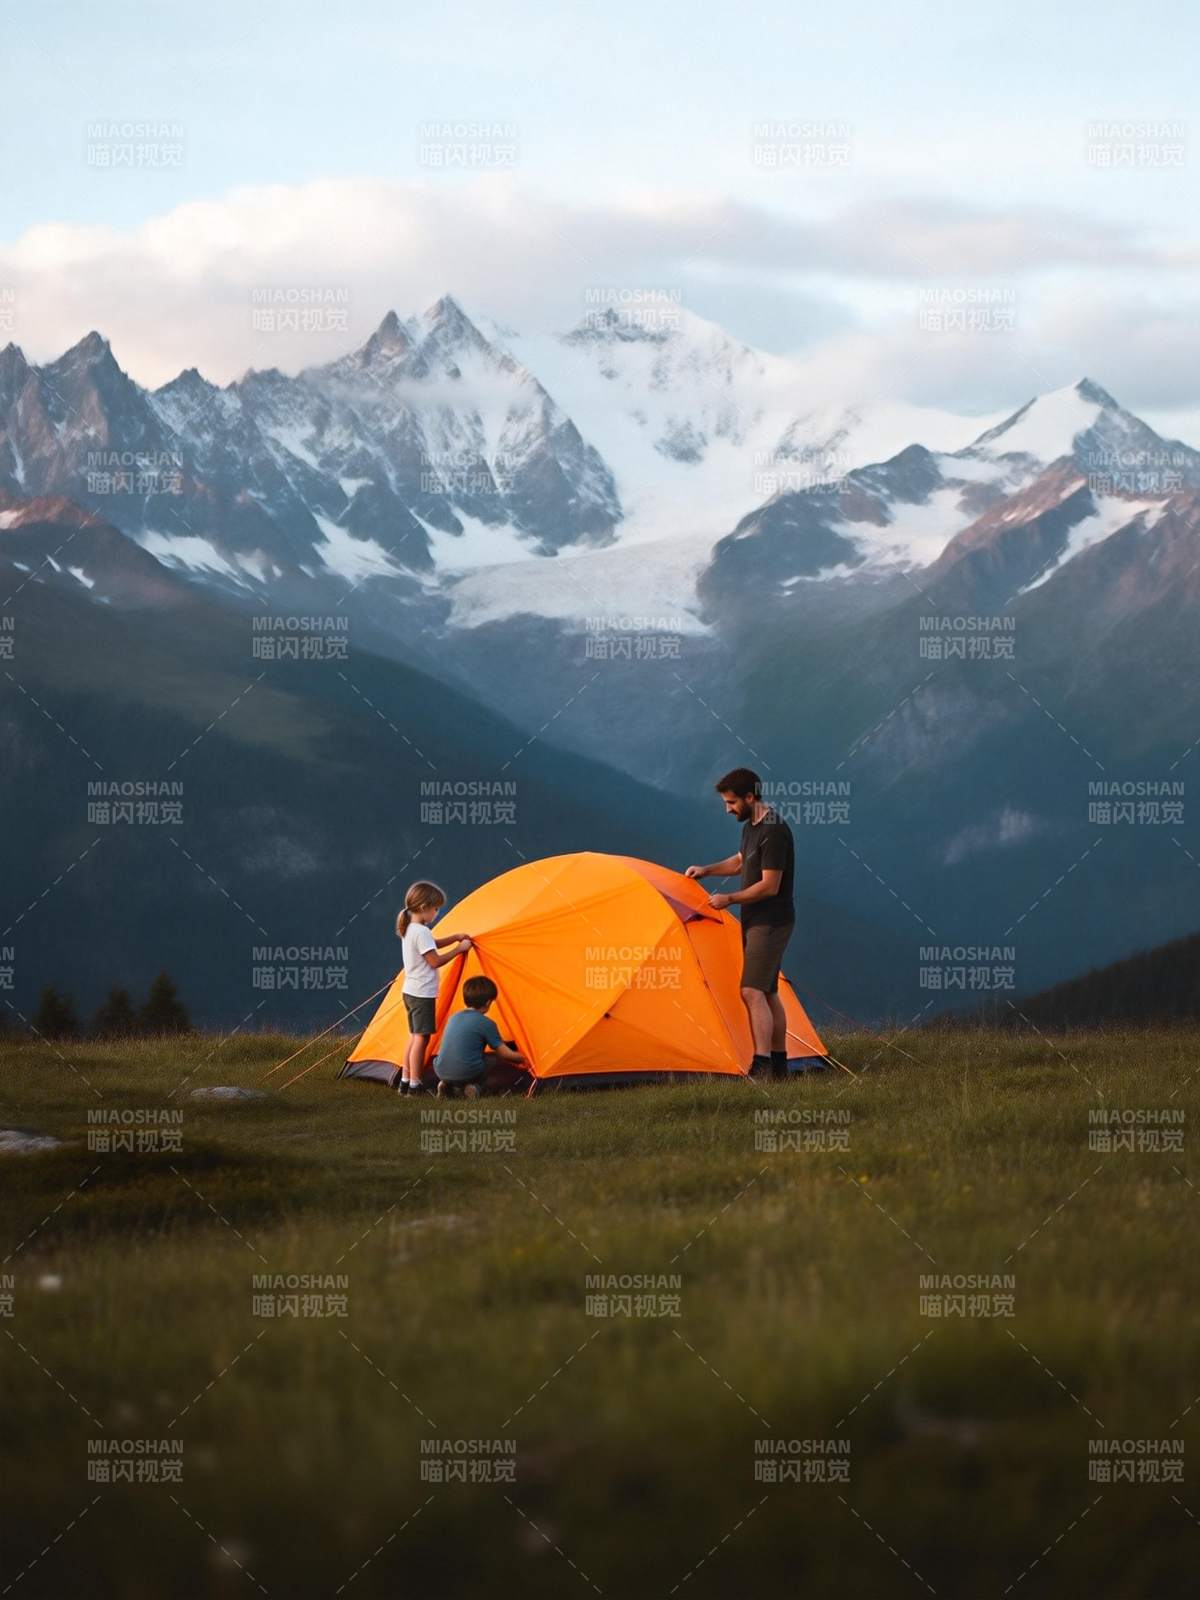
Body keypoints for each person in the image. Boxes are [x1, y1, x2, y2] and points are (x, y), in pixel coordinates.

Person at [686, 767, 796, 1079]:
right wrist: (706, 870)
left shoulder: (774, 830)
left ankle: (761, 1065)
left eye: (732, 802)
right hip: (755, 920)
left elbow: (770, 885)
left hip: (771, 921)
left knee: (750, 991)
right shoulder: (752, 826)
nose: (727, 808)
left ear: (750, 797)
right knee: (768, 992)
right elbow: (740, 861)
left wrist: (729, 899)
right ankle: (779, 1067)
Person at [396, 882, 471, 1095]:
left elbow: (433, 944)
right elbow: (435, 961)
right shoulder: (421, 932)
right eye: (435, 908)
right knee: (422, 1038)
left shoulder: (411, 928)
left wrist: (454, 937)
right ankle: (415, 1084)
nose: (437, 913)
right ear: (423, 907)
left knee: (414, 1037)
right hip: (422, 993)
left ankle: (405, 1081)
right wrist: (459, 949)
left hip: (410, 990)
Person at [433, 976, 526, 1098]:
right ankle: (475, 1088)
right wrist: (523, 1058)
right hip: (468, 1071)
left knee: (466, 1061)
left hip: (440, 1069)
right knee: (492, 1059)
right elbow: (504, 1054)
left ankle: (446, 1085)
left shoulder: (453, 1017)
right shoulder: (487, 1023)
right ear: (488, 1003)